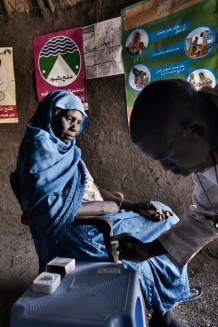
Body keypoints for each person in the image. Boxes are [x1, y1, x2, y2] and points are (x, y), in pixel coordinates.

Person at [16, 90, 192, 327]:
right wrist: (108, 206)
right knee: (149, 247)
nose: (74, 128)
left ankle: (165, 307)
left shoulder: (66, 147)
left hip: (100, 213)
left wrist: (130, 205)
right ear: (52, 113)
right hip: (76, 230)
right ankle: (165, 315)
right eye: (69, 119)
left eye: (79, 122)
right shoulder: (40, 146)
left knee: (165, 216)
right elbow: (47, 209)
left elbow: (88, 186)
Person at [111, 79, 218, 326]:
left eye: (169, 157)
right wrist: (151, 249)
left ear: (196, 130)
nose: (167, 169)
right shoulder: (205, 152)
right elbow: (206, 218)